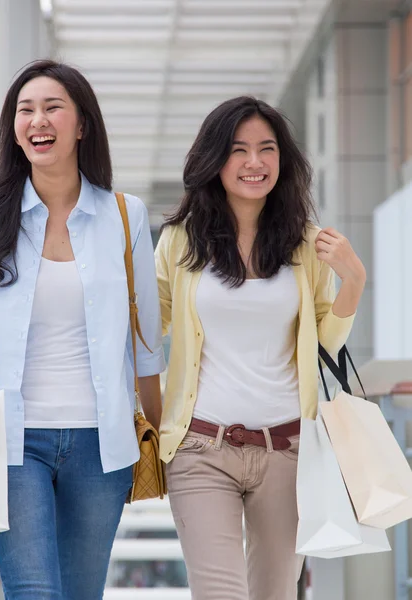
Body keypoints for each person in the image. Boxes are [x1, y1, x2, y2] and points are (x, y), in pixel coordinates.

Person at [0, 59, 166, 600]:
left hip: (101, 446)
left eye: (52, 108)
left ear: (82, 124)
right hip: (13, 443)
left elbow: (146, 345)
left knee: (81, 593)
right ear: (14, 128)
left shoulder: (125, 215)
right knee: (34, 593)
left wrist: (163, 444)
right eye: (25, 110)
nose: (37, 120)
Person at [155, 96, 366, 600]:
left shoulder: (307, 244)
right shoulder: (179, 242)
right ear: (214, 160)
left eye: (266, 149)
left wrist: (354, 279)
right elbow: (146, 332)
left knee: (275, 593)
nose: (254, 162)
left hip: (289, 451)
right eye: (239, 149)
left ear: (281, 160)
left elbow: (324, 342)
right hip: (201, 447)